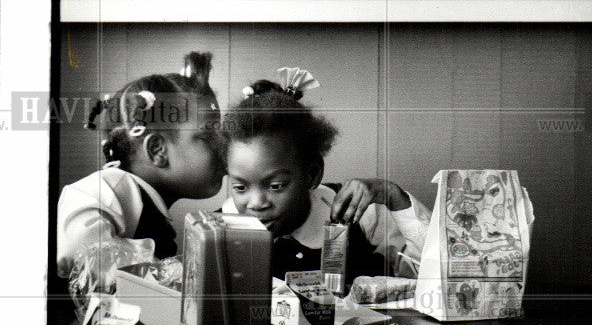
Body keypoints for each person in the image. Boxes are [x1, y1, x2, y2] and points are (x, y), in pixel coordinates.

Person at [221, 68, 430, 282]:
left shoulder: (358, 213)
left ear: (312, 174)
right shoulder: (217, 230)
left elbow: (433, 275)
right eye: (240, 188)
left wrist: (393, 197)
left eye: (275, 186)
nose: (256, 204)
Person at [57, 51, 225, 284]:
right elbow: (80, 255)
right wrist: (169, 274)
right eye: (208, 135)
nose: (225, 145)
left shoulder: (151, 208)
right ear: (158, 150)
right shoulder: (106, 189)